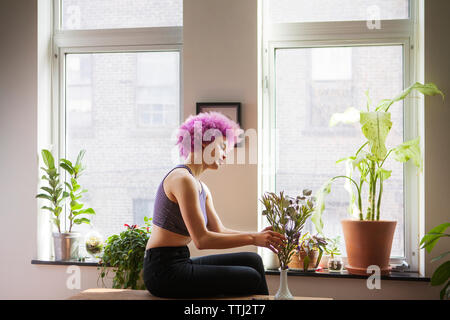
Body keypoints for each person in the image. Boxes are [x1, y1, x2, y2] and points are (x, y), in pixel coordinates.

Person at [143, 111, 286, 298]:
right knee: (250, 277)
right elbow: (202, 240)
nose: (226, 155)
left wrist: (259, 236)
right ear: (205, 142)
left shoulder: (201, 187)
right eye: (223, 147)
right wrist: (253, 239)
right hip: (163, 271)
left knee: (252, 260)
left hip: (181, 260)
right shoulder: (182, 179)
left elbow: (218, 229)